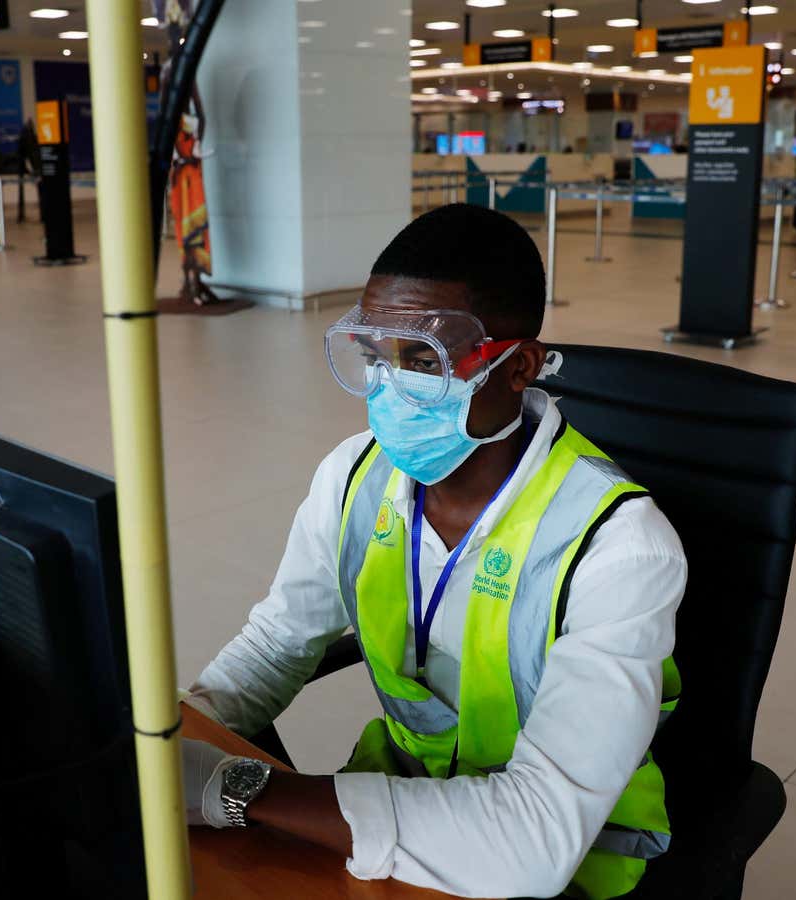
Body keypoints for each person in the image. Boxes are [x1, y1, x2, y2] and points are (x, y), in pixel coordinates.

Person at [179, 203, 687, 899]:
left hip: (568, 856)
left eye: (424, 360)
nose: (390, 387)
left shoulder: (618, 549)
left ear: (519, 368)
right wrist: (179, 737)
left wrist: (234, 787)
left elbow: (536, 840)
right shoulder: (354, 477)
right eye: (373, 355)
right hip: (401, 798)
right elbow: (277, 642)